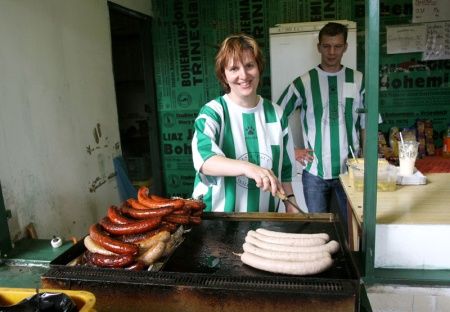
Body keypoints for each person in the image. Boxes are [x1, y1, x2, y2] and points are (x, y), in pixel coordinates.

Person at [191, 34, 299, 213]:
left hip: (266, 218)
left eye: (249, 65)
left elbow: (285, 170)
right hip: (216, 219)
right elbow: (205, 161)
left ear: (259, 68)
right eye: (234, 68)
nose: (244, 75)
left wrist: (291, 203)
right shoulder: (213, 113)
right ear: (224, 76)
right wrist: (247, 168)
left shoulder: (277, 114)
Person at [277, 22, 365, 226]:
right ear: (319, 47)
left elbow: (366, 122)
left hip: (350, 171)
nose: (332, 52)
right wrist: (294, 150)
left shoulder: (358, 79)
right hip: (315, 172)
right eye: (326, 46)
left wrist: (366, 161)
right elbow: (276, 115)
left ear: (345, 47)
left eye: (337, 46)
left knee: (351, 228)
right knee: (318, 227)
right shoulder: (305, 82)